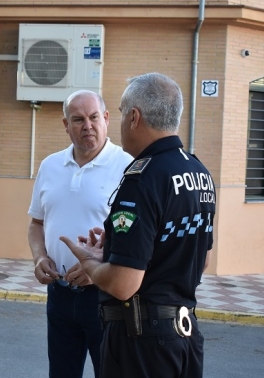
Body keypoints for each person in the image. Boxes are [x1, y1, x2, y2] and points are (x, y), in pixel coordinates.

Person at [60, 72, 216, 378]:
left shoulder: (143, 178)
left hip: (143, 345)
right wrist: (121, 250)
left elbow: (123, 284)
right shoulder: (198, 171)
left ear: (134, 117)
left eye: (119, 112)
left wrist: (92, 263)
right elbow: (201, 259)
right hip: (184, 337)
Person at [28, 89, 133, 378]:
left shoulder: (127, 168)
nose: (88, 125)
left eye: (94, 117)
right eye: (78, 119)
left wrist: (96, 268)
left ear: (107, 119)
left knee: (110, 372)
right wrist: (39, 258)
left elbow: (134, 235)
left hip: (104, 297)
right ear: (66, 125)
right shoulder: (50, 166)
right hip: (59, 293)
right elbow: (36, 223)